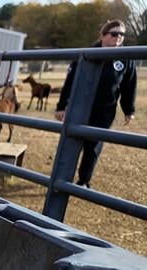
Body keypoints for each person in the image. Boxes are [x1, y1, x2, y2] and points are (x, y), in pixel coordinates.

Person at [54, 19, 137, 188]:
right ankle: (61, 178)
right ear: (103, 35)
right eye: (114, 34)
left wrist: (129, 110)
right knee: (72, 142)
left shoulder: (125, 58)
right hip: (81, 107)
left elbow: (129, 85)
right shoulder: (87, 54)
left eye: (122, 34)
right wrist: (62, 106)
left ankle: (83, 181)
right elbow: (71, 81)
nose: (118, 38)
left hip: (105, 111)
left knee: (93, 146)